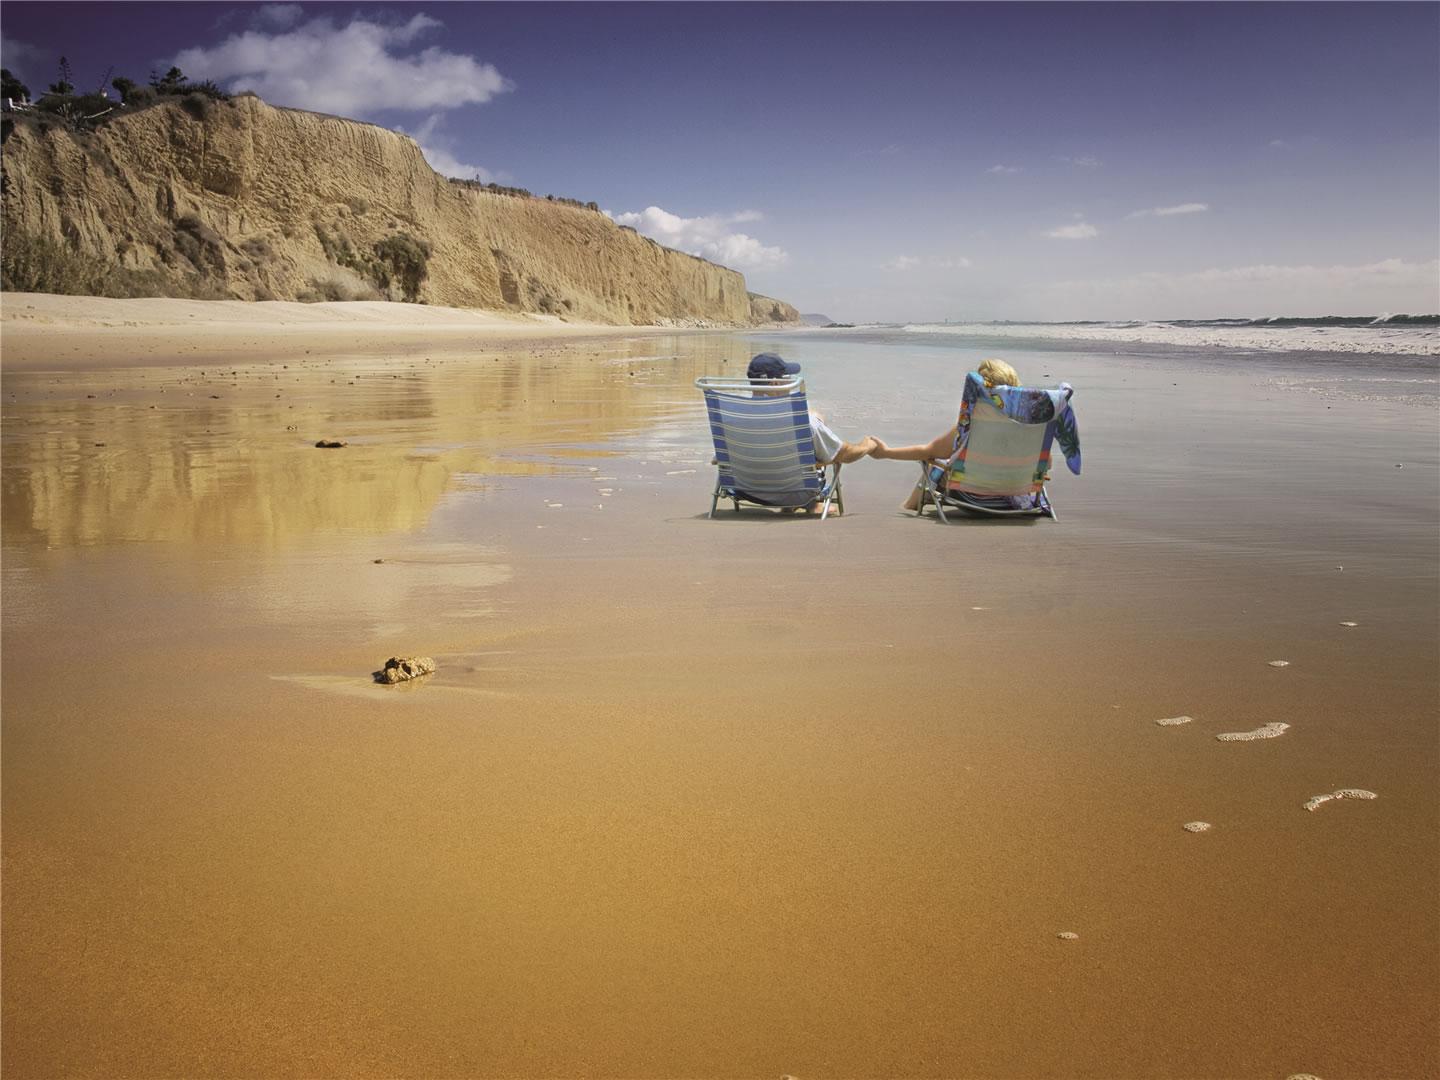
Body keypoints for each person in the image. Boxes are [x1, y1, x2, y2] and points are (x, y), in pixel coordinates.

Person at [868, 357, 1023, 510]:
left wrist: (886, 452)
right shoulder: (1028, 429)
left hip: (973, 495)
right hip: (1013, 497)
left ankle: (909, 506)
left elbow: (926, 451)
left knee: (933, 464)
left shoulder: (970, 427)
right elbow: (1047, 463)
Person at [746, 353, 877, 465]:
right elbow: (845, 454)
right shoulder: (803, 423)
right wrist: (868, 446)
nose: (790, 382)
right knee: (824, 450)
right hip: (792, 492)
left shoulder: (731, 417)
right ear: (775, 384)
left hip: (745, 488)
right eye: (787, 377)